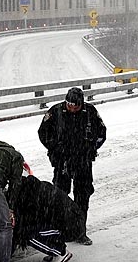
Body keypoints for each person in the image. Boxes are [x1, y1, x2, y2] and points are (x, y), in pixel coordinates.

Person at [38, 87, 106, 245]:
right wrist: (55, 148)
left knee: (83, 196)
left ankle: (80, 231)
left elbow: (102, 132)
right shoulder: (55, 112)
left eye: (75, 106)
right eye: (69, 105)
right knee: (59, 196)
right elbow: (43, 133)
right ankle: (59, 230)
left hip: (83, 160)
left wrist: (91, 148)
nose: (72, 108)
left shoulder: (89, 112)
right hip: (63, 160)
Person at [12, 174, 83, 262]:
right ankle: (56, 247)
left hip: (71, 227)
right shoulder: (39, 187)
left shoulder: (33, 199)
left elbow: (32, 220)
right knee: (35, 228)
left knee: (28, 234)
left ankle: (61, 253)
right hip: (74, 220)